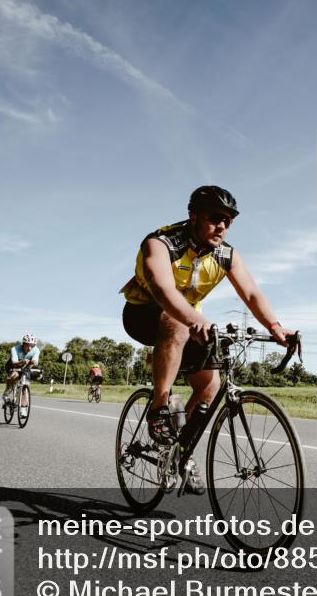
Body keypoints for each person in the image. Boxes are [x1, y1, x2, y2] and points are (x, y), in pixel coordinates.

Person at [119, 185, 292, 494]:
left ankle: (179, 453)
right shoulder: (161, 243)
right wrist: (194, 319)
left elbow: (251, 293)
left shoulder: (226, 255)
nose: (222, 226)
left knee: (210, 384)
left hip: (188, 321)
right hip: (143, 313)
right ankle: (159, 408)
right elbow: (163, 289)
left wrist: (275, 326)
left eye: (228, 220)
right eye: (214, 218)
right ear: (194, 216)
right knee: (176, 321)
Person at [3, 334, 41, 408]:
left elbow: (35, 362)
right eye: (28, 345)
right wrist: (22, 361)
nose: (30, 348)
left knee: (26, 384)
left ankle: (23, 407)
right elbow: (14, 362)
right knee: (14, 376)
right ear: (23, 344)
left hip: (26, 367)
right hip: (13, 365)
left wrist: (31, 362)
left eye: (32, 346)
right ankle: (6, 393)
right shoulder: (15, 349)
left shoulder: (36, 350)